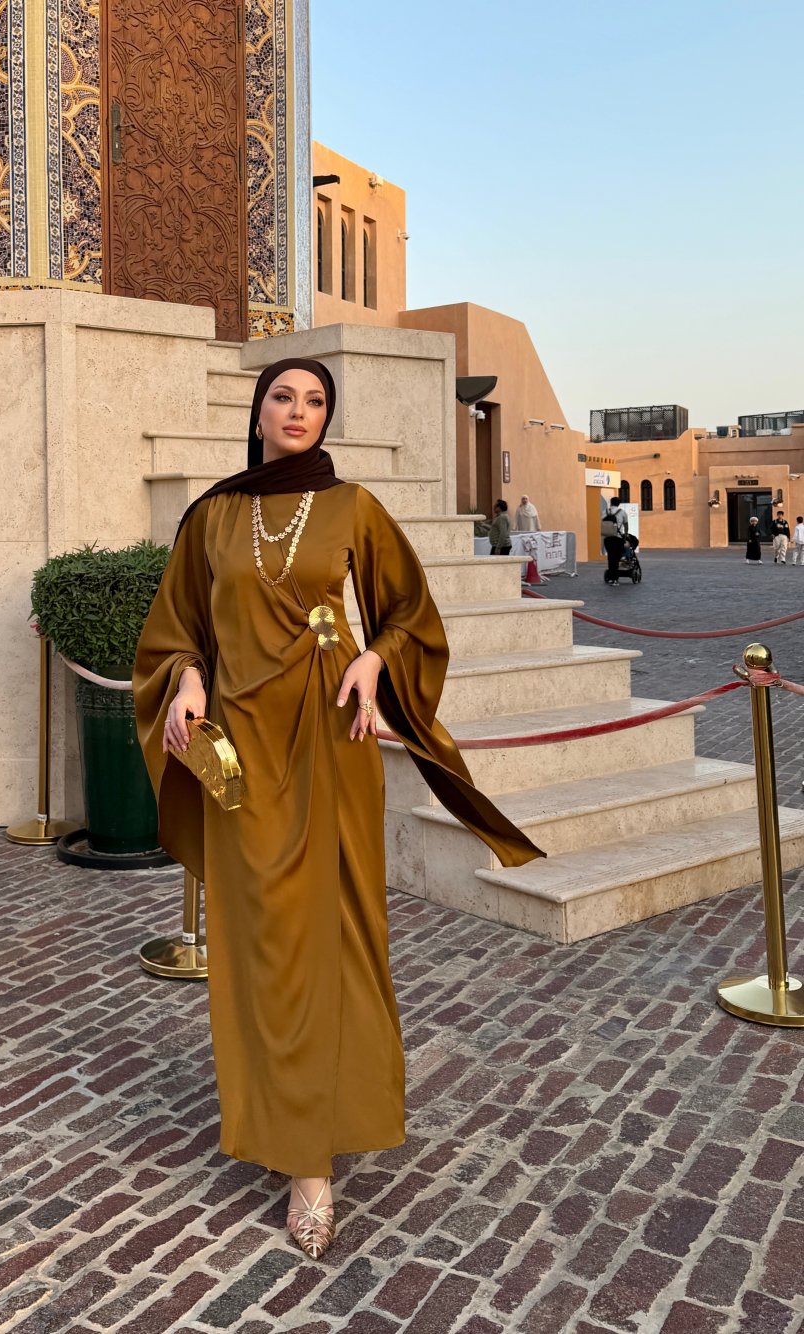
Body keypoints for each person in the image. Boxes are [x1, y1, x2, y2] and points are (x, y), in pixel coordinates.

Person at [133, 358, 543, 1260]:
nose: (299, 411)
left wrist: (374, 659)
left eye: (315, 401)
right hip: (243, 753)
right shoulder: (212, 517)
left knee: (336, 934)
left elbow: (411, 615)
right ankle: (281, 1121)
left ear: (327, 418)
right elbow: (176, 630)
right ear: (258, 412)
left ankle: (312, 1161)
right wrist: (188, 682)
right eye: (283, 397)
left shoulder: (354, 507)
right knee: (262, 943)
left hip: (330, 739)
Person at [601, 497, 627, 585]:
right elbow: (626, 525)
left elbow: (601, 521)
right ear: (619, 504)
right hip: (617, 538)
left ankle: (611, 578)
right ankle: (615, 579)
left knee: (610, 558)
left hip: (607, 538)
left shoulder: (605, 511)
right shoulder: (622, 512)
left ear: (611, 503)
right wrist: (625, 535)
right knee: (616, 559)